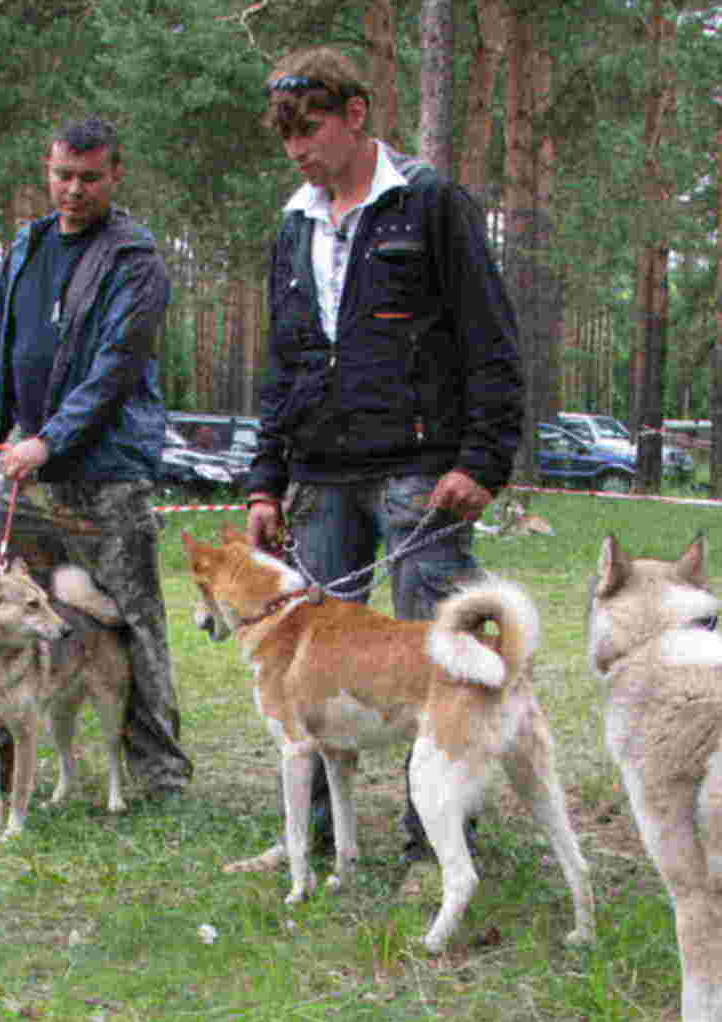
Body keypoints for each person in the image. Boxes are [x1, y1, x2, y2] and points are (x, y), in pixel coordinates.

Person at [242, 47, 523, 884]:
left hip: (421, 472)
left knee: (442, 661)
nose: (297, 148)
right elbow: (284, 362)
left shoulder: (431, 204)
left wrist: (482, 459)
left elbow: (491, 339)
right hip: (319, 476)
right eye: (285, 133)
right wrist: (265, 477)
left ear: (357, 114)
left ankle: (438, 843)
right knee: (308, 664)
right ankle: (316, 837)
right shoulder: (293, 225)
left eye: (310, 127)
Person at [0, 116, 192, 801]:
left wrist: (50, 439)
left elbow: (114, 369)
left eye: (88, 178)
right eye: (61, 176)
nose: (72, 190)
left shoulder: (135, 260)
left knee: (129, 618)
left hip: (106, 468)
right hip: (21, 464)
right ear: (47, 171)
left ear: (115, 176)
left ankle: (158, 770)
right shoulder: (28, 244)